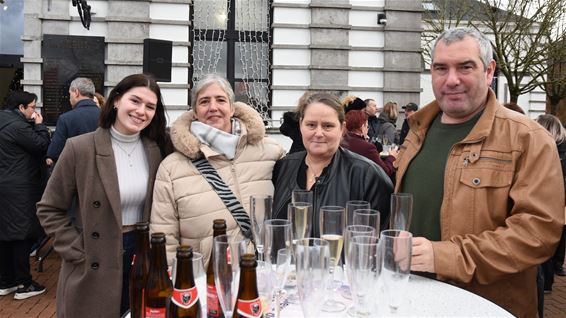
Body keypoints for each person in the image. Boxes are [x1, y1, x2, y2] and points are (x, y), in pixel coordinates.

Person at [395, 27, 564, 317]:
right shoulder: (416, 131)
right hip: (411, 300)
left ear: (489, 71)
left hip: (485, 307)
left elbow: (537, 233)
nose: (451, 79)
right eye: (440, 68)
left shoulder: (527, 138)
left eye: (465, 67)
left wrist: (443, 257)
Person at [37, 74, 171, 317]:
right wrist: (77, 249)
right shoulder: (80, 148)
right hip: (92, 257)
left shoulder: (155, 149)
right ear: (117, 100)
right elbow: (49, 208)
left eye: (150, 106)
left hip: (140, 256)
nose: (142, 111)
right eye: (135, 101)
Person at [150, 74, 285, 264]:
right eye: (204, 101)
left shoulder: (271, 152)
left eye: (220, 100)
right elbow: (164, 238)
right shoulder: (172, 169)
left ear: (232, 108)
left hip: (265, 277)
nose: (213, 107)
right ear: (195, 112)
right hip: (207, 281)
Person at [271, 92, 393, 237]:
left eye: (328, 126)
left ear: (342, 129)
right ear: (300, 125)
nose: (318, 133)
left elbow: (379, 243)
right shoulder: (282, 168)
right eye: (311, 125)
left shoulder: (367, 177)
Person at [0, 91, 50, 300]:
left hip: (6, 185)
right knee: (21, 235)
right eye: (32, 107)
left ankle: (5, 281)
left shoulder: (4, 121)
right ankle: (24, 284)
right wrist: (40, 126)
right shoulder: (17, 126)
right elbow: (40, 146)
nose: (35, 111)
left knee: (5, 235)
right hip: (19, 188)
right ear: (21, 108)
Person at [536, 114, 566, 292]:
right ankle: (557, 266)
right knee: (559, 234)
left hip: (548, 201)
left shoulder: (545, 148)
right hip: (559, 202)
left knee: (543, 239)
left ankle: (547, 279)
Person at [46, 77, 100, 167]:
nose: (69, 98)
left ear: (76, 92)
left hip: (76, 171)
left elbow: (54, 153)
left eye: (70, 94)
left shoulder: (66, 118)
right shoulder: (107, 116)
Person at [342, 98, 396, 180]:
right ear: (362, 127)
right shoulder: (367, 147)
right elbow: (385, 172)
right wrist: (392, 157)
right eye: (367, 126)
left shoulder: (340, 142)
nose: (367, 129)